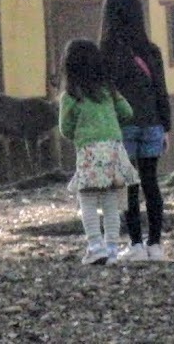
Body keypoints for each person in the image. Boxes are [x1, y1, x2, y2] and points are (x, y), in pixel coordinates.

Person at [99, 0, 172, 262]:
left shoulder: (105, 53)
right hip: (152, 124)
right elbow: (161, 91)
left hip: (122, 126)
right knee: (151, 183)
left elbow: (104, 94)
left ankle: (136, 245)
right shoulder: (151, 51)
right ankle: (156, 245)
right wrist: (166, 126)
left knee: (129, 186)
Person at [59, 38, 139, 266]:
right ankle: (112, 248)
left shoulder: (71, 96)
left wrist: (80, 132)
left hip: (89, 152)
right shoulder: (109, 91)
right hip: (114, 150)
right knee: (111, 201)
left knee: (87, 199)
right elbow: (128, 112)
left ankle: (95, 246)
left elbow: (65, 129)